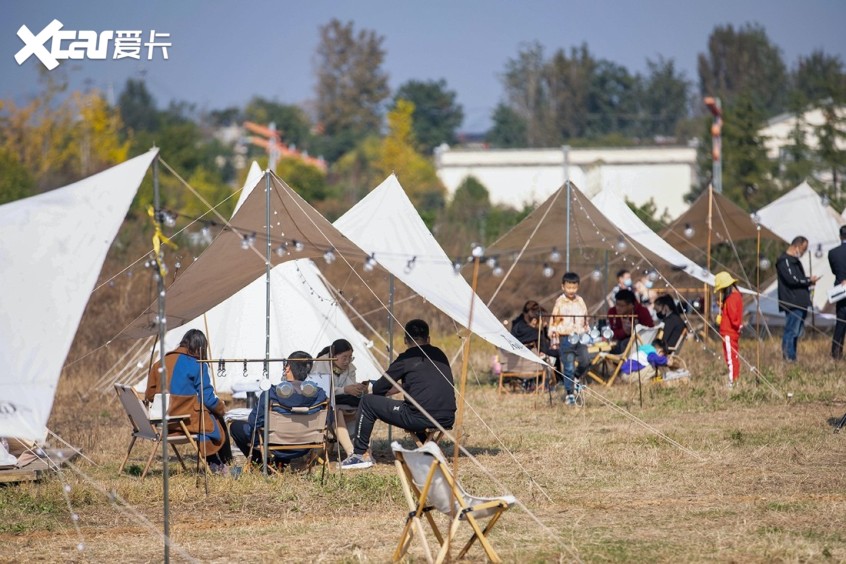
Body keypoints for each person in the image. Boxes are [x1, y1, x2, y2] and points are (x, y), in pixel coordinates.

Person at [342, 319, 456, 470]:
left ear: (405, 340)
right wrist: (400, 387)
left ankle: (359, 454)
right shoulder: (439, 354)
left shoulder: (406, 358)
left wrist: (379, 389)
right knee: (419, 405)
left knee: (368, 402)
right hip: (447, 417)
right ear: (428, 339)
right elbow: (422, 385)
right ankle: (428, 448)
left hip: (419, 417)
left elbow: (378, 389)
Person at [145, 329, 232, 475]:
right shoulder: (197, 364)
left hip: (164, 423)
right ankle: (219, 464)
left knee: (209, 419)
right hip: (185, 422)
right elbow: (208, 399)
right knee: (215, 421)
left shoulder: (159, 363)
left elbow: (150, 395)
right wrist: (221, 408)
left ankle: (220, 463)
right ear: (200, 347)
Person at [230, 350, 327, 466]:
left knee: (236, 427)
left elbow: (254, 422)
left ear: (288, 368)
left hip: (275, 444)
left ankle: (261, 463)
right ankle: (280, 463)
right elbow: (327, 421)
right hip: (305, 445)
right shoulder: (320, 395)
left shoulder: (271, 393)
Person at [310, 339, 365, 458]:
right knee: (336, 411)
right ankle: (351, 452)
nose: (347, 361)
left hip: (345, 404)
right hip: (323, 407)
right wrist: (344, 390)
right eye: (344, 357)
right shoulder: (321, 364)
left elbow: (351, 386)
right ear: (334, 356)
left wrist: (358, 388)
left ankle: (363, 450)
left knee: (364, 409)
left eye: (350, 357)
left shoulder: (350, 367)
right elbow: (320, 391)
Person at [548, 272, 590, 405]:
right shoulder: (560, 302)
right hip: (565, 337)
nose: (571, 291)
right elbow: (554, 320)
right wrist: (553, 335)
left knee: (585, 360)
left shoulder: (580, 301)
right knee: (568, 366)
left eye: (574, 288)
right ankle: (569, 393)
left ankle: (576, 378)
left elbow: (585, 317)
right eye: (569, 288)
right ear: (563, 287)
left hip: (580, 336)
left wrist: (586, 329)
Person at [776, 236, 819, 362]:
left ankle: (792, 356)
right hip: (792, 302)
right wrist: (807, 280)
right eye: (803, 249)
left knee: (797, 332)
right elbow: (792, 279)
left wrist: (808, 281)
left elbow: (798, 278)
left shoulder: (795, 261)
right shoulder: (785, 261)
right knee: (791, 330)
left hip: (801, 301)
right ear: (797, 246)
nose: (803, 252)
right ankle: (788, 357)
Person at [715, 271, 743, 387]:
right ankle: (735, 379)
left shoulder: (731, 298)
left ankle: (732, 381)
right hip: (732, 332)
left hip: (729, 332)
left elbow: (733, 315)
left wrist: (736, 325)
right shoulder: (736, 296)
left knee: (730, 357)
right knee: (733, 356)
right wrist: (723, 307)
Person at [607, 289, 654, 354]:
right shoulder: (612, 312)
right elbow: (612, 332)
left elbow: (648, 330)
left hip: (638, 345)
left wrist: (634, 329)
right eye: (617, 304)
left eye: (621, 306)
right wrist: (624, 332)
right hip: (617, 343)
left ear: (631, 305)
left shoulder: (642, 312)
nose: (618, 308)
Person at [828, 225, 846, 359]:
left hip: (841, 290)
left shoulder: (833, 252)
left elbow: (834, 271)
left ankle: (836, 353)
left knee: (840, 323)